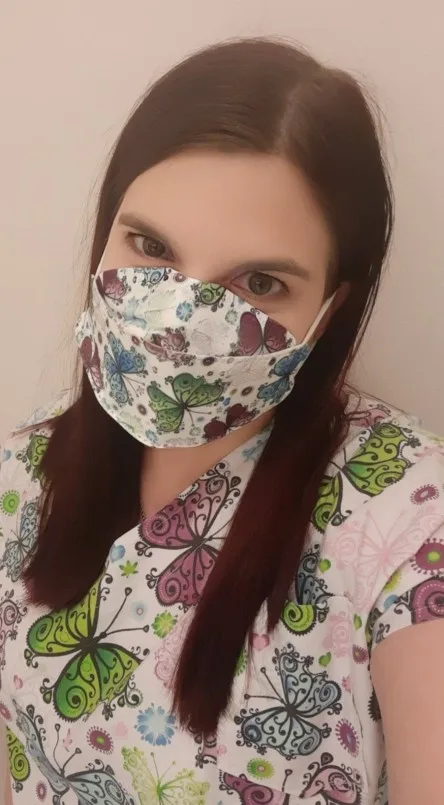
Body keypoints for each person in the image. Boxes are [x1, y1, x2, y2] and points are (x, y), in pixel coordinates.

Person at [0, 37, 443, 805]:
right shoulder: (21, 476)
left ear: (330, 308)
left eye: (259, 282)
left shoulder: (407, 519)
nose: (182, 322)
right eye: (151, 246)